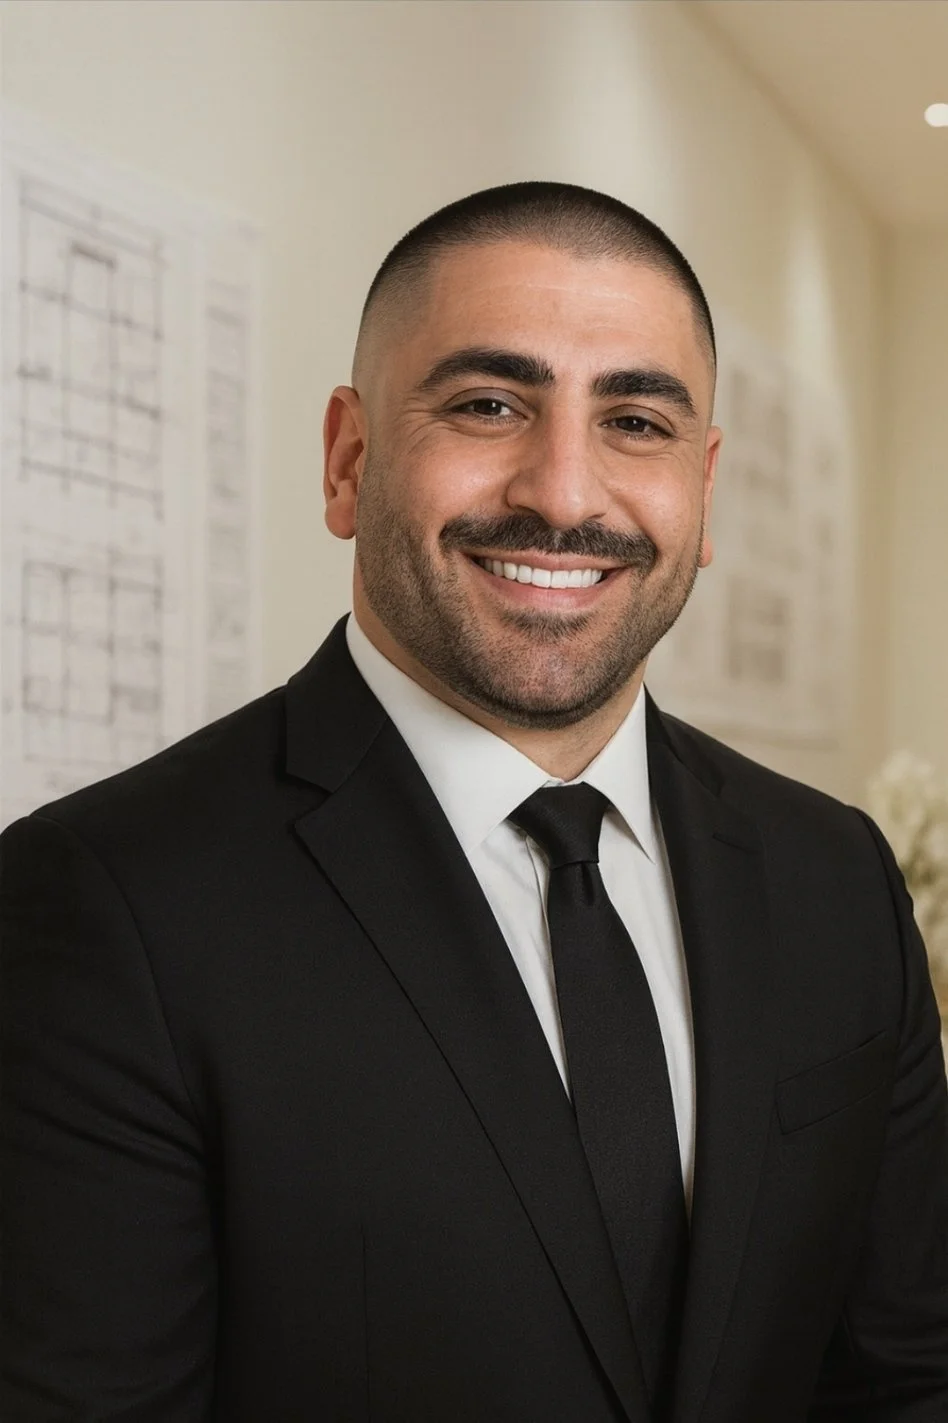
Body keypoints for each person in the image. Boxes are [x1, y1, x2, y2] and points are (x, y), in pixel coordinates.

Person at [2, 181, 947, 1423]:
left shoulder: (835, 875)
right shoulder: (105, 904)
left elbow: (905, 1377)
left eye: (636, 421)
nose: (565, 493)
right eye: (489, 404)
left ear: (705, 488)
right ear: (349, 460)